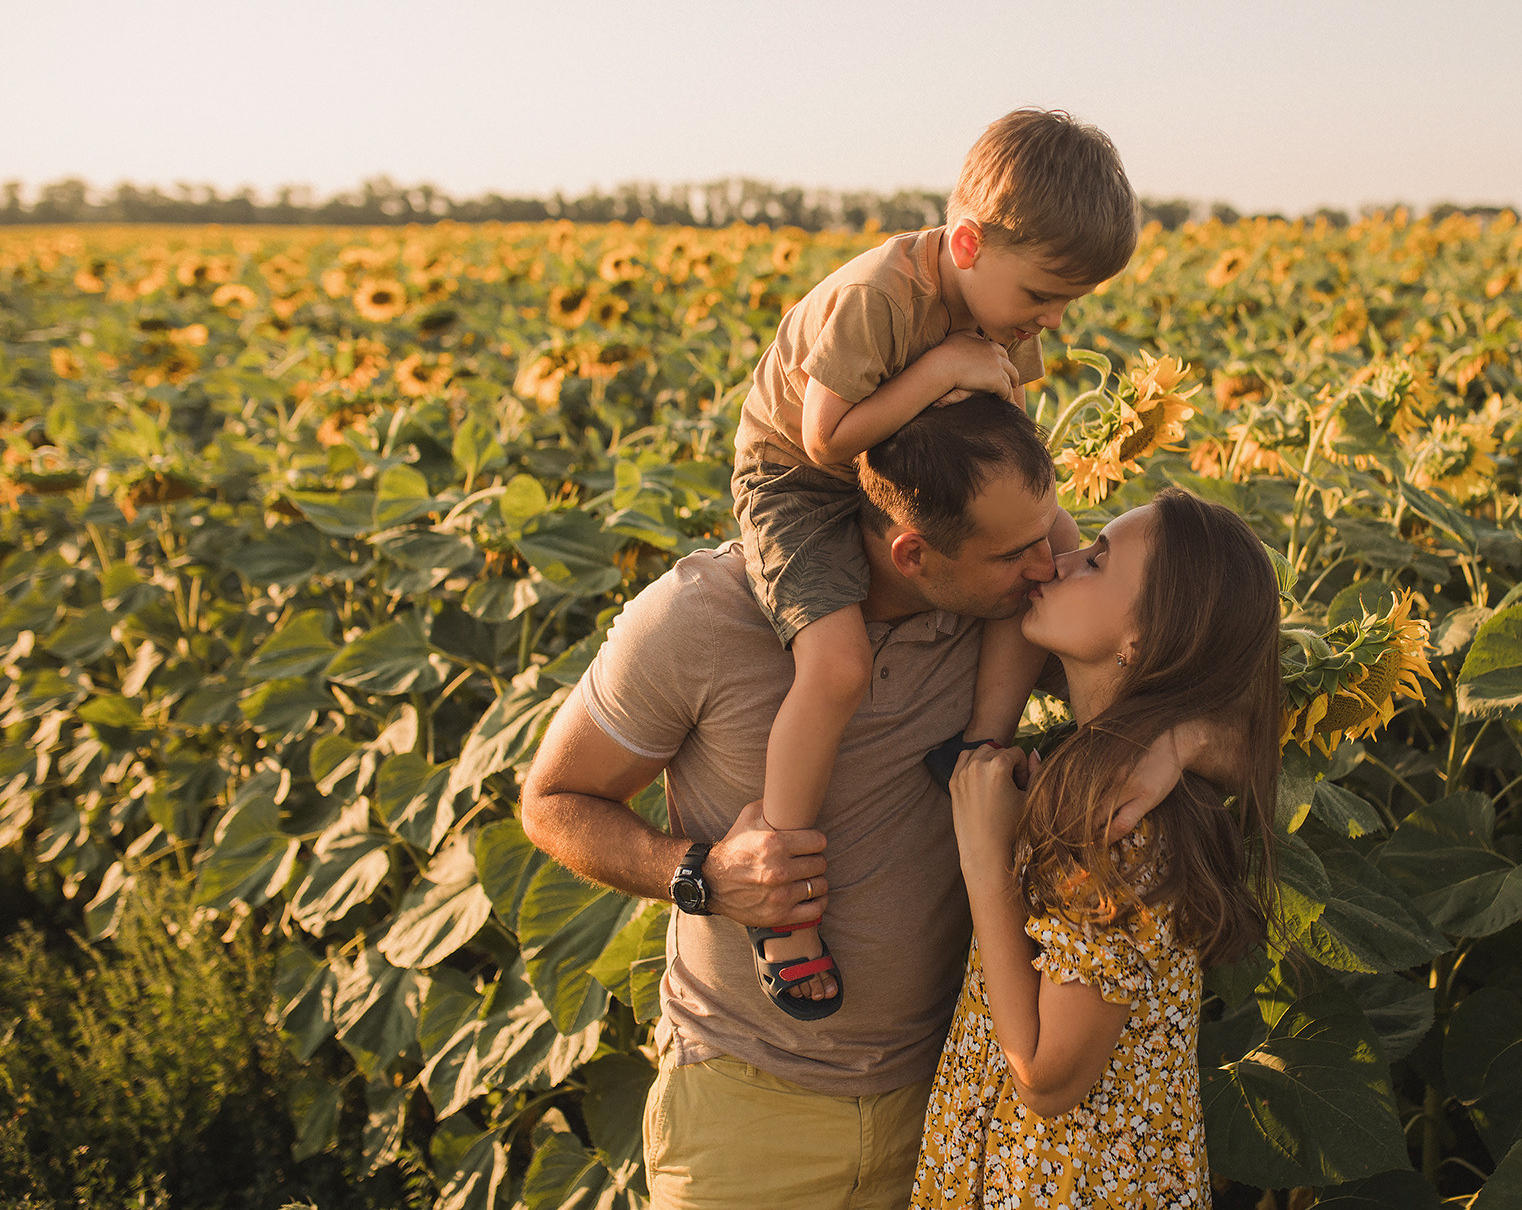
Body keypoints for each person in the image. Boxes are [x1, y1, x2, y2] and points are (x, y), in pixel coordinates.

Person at [520, 397, 1233, 1210]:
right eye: (1016, 555)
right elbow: (551, 800)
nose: (1049, 563)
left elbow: (1200, 660)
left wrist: (1182, 741)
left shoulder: (1009, 613)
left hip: (951, 1114)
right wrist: (702, 875)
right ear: (914, 552)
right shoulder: (698, 617)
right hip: (749, 1112)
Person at [730, 108, 1140, 1014]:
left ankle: (983, 741)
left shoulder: (1003, 307)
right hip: (798, 478)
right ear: (966, 244)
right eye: (1042, 296)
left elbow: (1001, 445)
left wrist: (1047, 539)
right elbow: (826, 437)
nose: (1051, 320)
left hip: (916, 467)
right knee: (835, 665)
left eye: (1067, 304)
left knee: (1038, 568)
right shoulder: (880, 294)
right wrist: (944, 365)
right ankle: (783, 898)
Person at [914, 488, 1282, 1210]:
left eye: (1096, 560)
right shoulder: (1102, 777)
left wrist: (986, 865)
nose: (1058, 559)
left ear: (1140, 639)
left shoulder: (1122, 825)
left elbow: (1047, 1077)